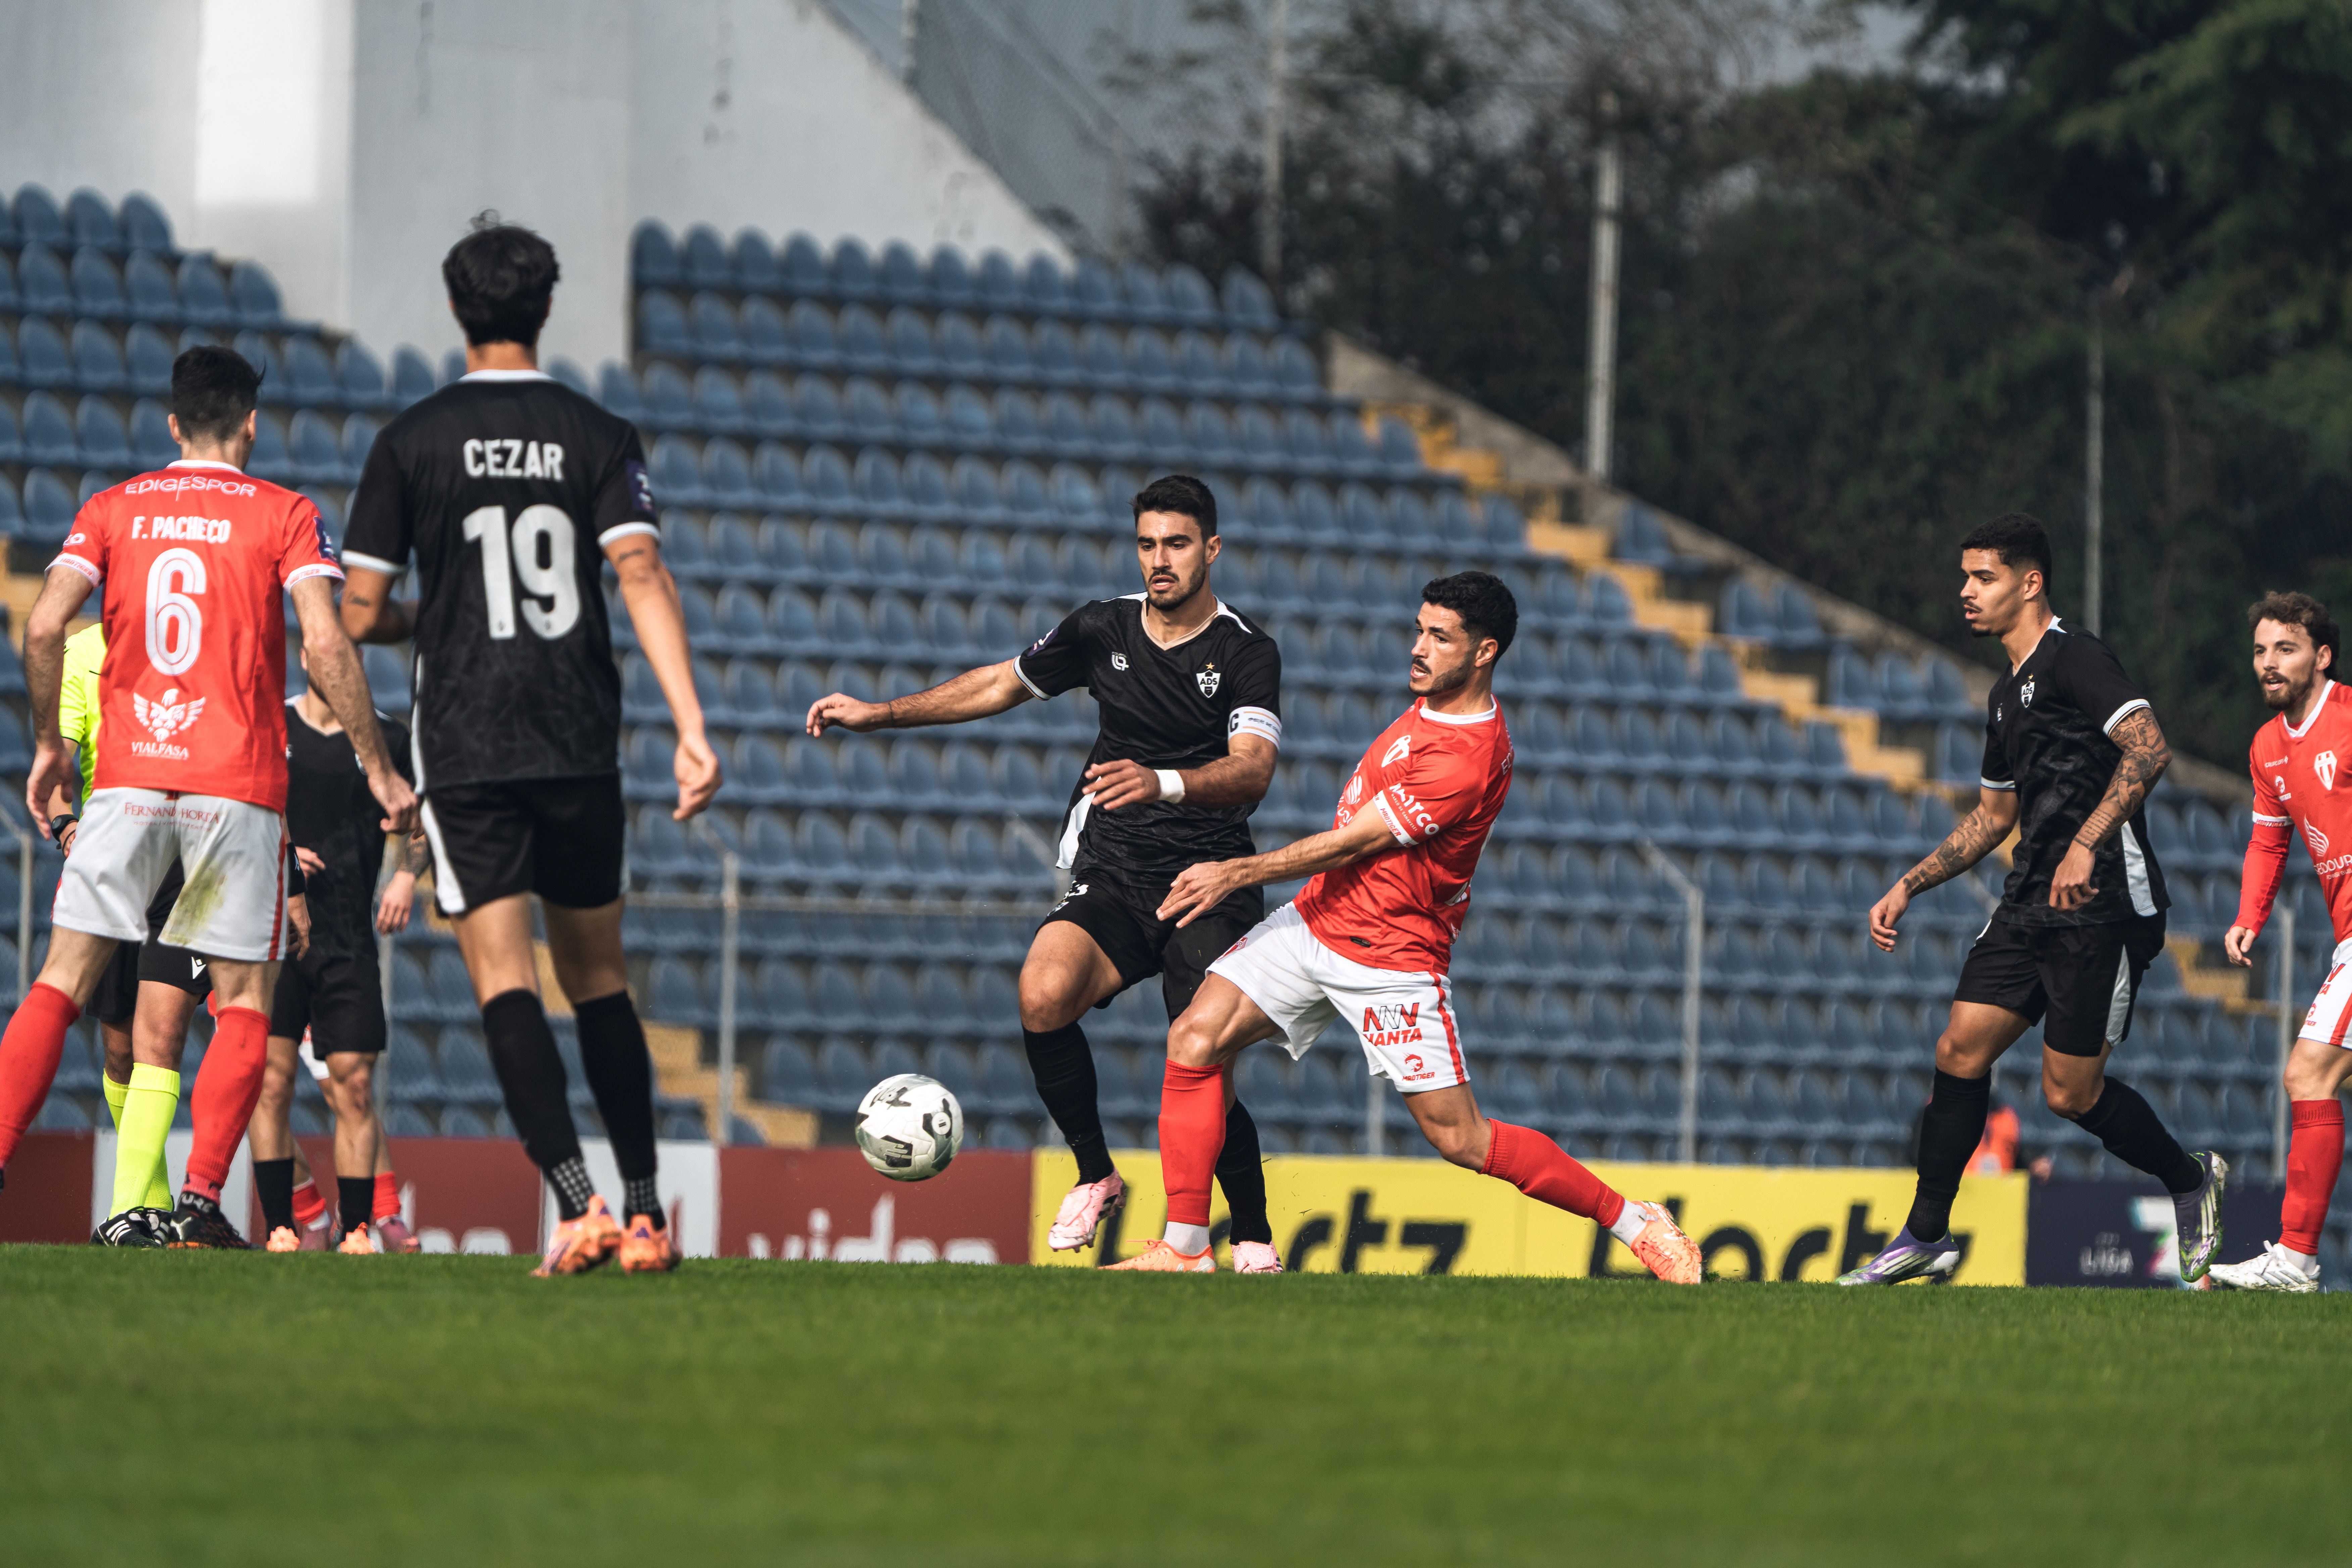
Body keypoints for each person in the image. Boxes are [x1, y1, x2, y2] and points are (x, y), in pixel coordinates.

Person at [1109, 572, 1703, 1280]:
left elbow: (1354, 844)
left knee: (1461, 1138)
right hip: (1317, 921)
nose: (1418, 648)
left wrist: (1235, 872)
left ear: (1484, 652)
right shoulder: (1434, 705)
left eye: (1440, 637)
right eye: (1420, 630)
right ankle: (1184, 1246)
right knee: (1194, 1039)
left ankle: (1636, 1221)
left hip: (1390, 957)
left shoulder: (1465, 757)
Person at [339, 216, 720, 1277]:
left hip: (466, 742)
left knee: (505, 980)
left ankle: (578, 1208)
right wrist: (692, 729)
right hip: (577, 735)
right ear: (545, 307)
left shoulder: (409, 441)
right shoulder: (598, 431)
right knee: (600, 978)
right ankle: (644, 1215)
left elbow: (359, 610)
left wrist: (435, 615)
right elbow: (641, 574)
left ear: (455, 308)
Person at [804, 474, 1286, 1271]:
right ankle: (1096, 1174)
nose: (1159, 560)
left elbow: (1253, 768)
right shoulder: (1101, 627)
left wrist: (1162, 781)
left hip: (1207, 881)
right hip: (1115, 869)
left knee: (1201, 1058)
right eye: (1147, 544)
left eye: (1176, 544)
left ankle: (1255, 1237)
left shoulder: (1245, 650)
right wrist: (880, 713)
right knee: (1042, 991)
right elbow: (1002, 682)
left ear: (1212, 548)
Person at [0, 343, 415, 1247]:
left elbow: (42, 626)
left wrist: (49, 747)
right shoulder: (285, 513)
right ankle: (195, 1201)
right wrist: (381, 770)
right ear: (251, 426)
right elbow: (326, 645)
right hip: (235, 789)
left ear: (173, 424)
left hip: (128, 781)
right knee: (245, 997)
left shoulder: (113, 507)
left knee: (61, 980)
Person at [1849, 512, 2223, 1286]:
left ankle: (2191, 1179)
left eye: (1982, 577)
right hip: (2029, 902)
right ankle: (1925, 1234)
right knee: (1959, 1048)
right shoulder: (2002, 696)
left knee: (2068, 1093)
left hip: (2104, 903)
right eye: (1965, 576)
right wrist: (1908, 884)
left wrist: (2087, 841)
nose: (1966, 590)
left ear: (2030, 582)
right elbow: (1994, 817)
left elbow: (2149, 746)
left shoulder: (2075, 656)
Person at [248, 644, 428, 1254]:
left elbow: (423, 825)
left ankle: (356, 1231)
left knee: (353, 1088)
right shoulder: (272, 724)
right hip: (272, 935)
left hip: (348, 941)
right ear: (304, 656)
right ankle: (282, 1227)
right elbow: (236, 812)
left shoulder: (389, 741)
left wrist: (406, 875)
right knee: (269, 1084)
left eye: (346, 655)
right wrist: (280, 855)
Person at [48, 623, 229, 1221]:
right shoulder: (81, 652)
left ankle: (124, 1212)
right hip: (116, 859)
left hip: (189, 862)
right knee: (121, 1051)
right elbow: (56, 766)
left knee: (161, 1039)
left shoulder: (202, 638)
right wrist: (67, 827)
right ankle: (149, 1209)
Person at [2211, 593, 2352, 1291]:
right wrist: (2249, 915)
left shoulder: (2350, 720)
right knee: (2314, 1076)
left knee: (2308, 1073)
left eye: (2286, 649)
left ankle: (2296, 1260)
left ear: (2322, 656)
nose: (2270, 663)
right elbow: (2269, 841)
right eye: (2262, 650)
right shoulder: (2268, 746)